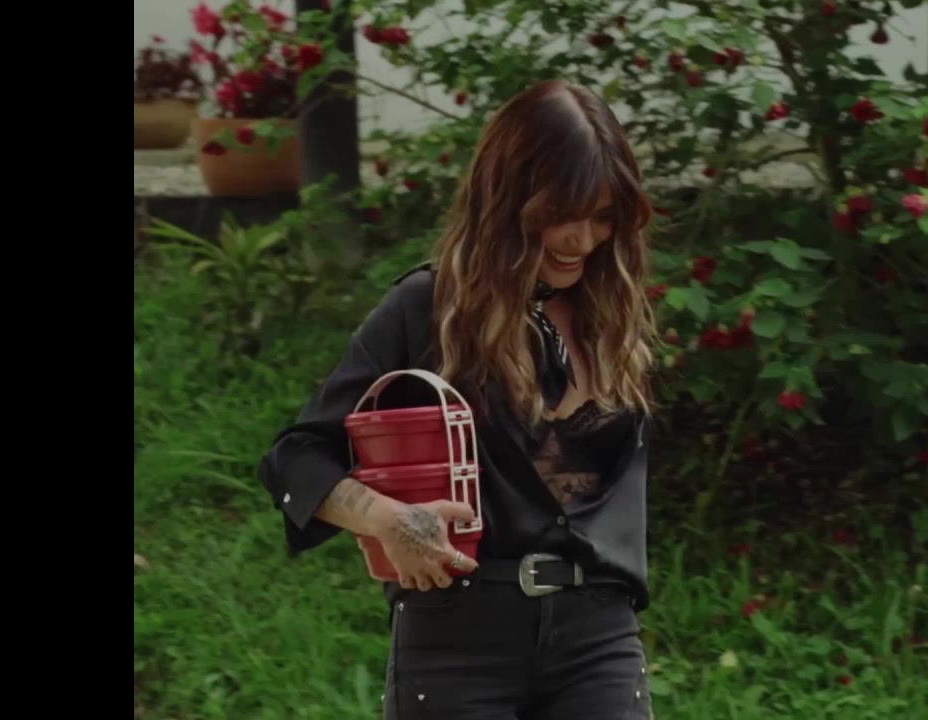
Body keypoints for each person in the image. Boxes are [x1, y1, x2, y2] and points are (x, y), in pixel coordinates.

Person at [258, 79, 660, 719]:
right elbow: (296, 459)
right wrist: (389, 520)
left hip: (598, 637)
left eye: (604, 216)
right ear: (509, 200)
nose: (583, 239)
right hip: (457, 640)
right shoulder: (427, 309)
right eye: (563, 212)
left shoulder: (611, 315)